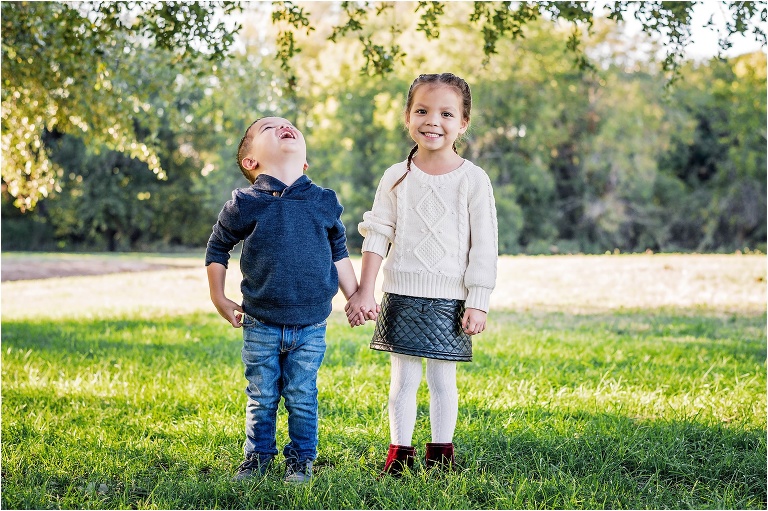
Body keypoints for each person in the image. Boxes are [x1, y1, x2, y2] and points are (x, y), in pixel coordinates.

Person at [345, 73, 498, 476]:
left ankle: (441, 455)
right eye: (423, 110)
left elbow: (484, 246)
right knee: (403, 380)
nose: (433, 120)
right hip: (401, 293)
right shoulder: (396, 175)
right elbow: (377, 234)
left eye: (447, 113)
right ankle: (399, 454)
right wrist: (365, 290)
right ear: (408, 117)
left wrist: (478, 301)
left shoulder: (473, 179)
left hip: (451, 298)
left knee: (442, 379)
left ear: (463, 123)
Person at [206, 117, 360, 484]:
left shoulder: (324, 201)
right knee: (262, 395)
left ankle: (302, 459)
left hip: (311, 324)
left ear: (305, 162)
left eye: (289, 125)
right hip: (260, 320)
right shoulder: (245, 203)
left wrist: (355, 296)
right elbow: (217, 248)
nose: (283, 127)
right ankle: (257, 457)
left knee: (302, 394)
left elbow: (338, 252)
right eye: (268, 128)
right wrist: (218, 296)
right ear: (250, 162)